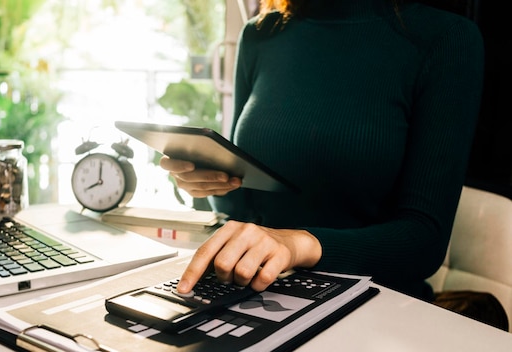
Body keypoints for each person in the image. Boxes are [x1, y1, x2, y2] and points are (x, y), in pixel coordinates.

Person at [160, 0, 484, 302]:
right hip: (259, 290)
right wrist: (211, 182)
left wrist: (297, 244)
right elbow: (243, 209)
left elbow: (423, 241)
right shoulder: (262, 33)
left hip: (378, 302)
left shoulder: (445, 38)